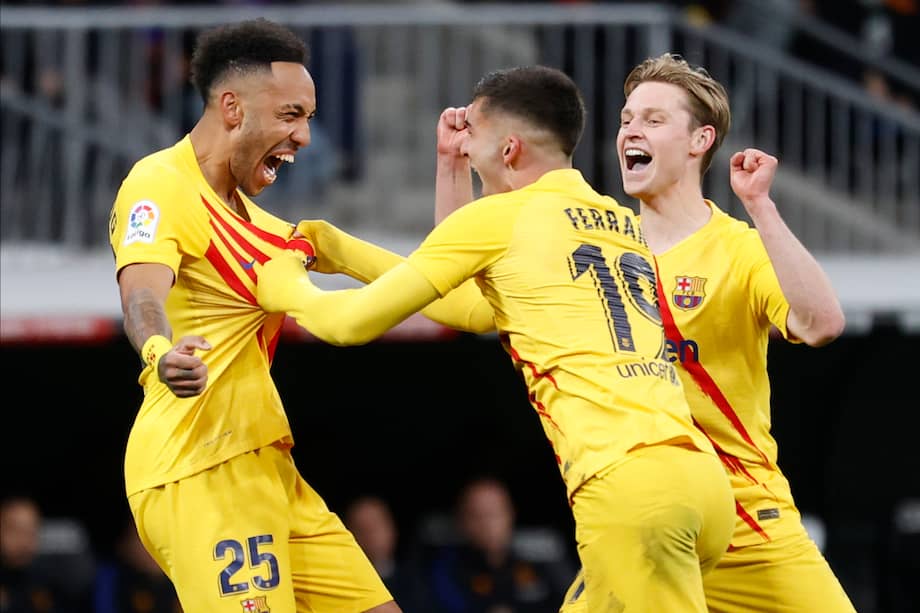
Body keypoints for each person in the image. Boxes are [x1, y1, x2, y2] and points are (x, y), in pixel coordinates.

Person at [257, 65, 736, 611]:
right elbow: (471, 305)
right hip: (700, 483)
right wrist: (343, 247)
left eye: (474, 142)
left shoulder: (506, 218)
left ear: (509, 149)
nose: (467, 149)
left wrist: (283, 285)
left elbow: (348, 325)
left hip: (631, 490)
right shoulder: (616, 218)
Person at [107, 18, 407, 613]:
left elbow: (422, 282)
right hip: (197, 468)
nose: (305, 137)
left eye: (310, 119)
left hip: (271, 470)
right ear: (232, 108)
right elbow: (141, 295)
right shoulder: (160, 183)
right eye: (291, 115)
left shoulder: (267, 230)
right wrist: (159, 353)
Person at [609, 53, 854, 612]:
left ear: (700, 140)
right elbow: (470, 292)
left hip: (747, 519)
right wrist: (454, 166)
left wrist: (760, 206)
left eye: (652, 119)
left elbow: (822, 325)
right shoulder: (599, 244)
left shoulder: (741, 248)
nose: (630, 132)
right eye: (626, 119)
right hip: (643, 526)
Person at [428, 476, 571, 613]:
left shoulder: (543, 558)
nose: (487, 524)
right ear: (462, 521)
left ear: (511, 514)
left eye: (494, 514)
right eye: (477, 515)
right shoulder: (445, 569)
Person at [344, 496, 431, 613]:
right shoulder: (343, 588)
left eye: (375, 524)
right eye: (361, 527)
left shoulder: (426, 579)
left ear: (392, 528)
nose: (370, 533)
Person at [92, 516, 181, 613]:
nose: (153, 547)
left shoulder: (182, 579)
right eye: (142, 540)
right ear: (124, 546)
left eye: (157, 538)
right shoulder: (110, 580)